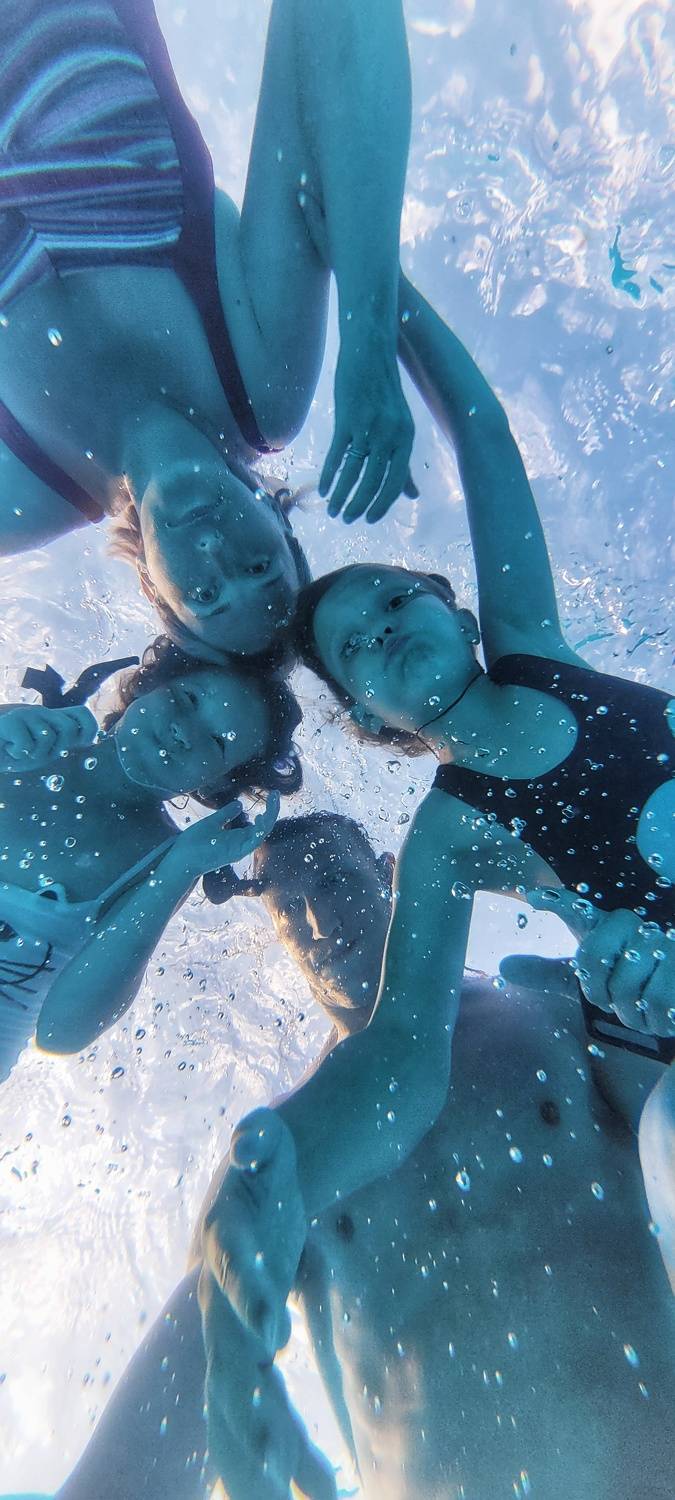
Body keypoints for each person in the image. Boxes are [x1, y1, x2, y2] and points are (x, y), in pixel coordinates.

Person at [198, 281, 675, 1361]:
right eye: (355, 649)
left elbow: (483, 430)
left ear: (456, 607)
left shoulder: (539, 649)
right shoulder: (451, 837)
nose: (383, 629)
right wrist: (287, 1179)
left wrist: (372, 294)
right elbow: (406, 1051)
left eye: (393, 601)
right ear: (370, 718)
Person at [20, 815, 673, 1500]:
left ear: (391, 873)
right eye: (289, 909)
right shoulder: (276, 1148)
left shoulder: (554, 1012)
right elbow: (206, 1375)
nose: (317, 919)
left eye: (333, 881)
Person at [0, 0, 416, 658]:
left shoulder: (21, 495)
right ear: (277, 518)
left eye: (204, 594)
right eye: (259, 567)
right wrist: (369, 348)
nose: (215, 552)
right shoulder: (263, 383)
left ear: (153, 588)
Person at [0, 638, 301, 1080]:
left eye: (218, 742)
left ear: (217, 782)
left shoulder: (164, 862)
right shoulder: (29, 735)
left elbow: (61, 1032)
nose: (185, 731)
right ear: (148, 687)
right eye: (188, 699)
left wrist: (179, 871)